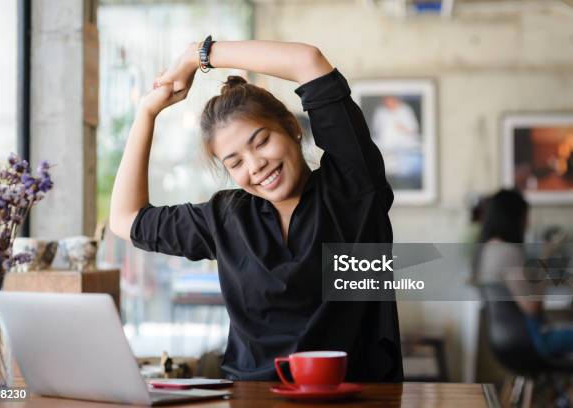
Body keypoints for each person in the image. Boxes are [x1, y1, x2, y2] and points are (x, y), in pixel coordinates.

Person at [110, 39, 403, 381]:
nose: (256, 165)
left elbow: (308, 61)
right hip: (250, 398)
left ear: (292, 129)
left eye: (261, 141)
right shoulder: (226, 216)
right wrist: (147, 113)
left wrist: (198, 55)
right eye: (235, 162)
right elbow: (126, 219)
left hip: (354, 399)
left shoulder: (352, 187)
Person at [476, 189, 573, 357]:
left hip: (505, 341)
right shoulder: (507, 251)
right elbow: (532, 308)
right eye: (525, 217)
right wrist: (545, 258)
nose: (527, 223)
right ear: (513, 218)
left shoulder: (488, 249)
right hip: (532, 341)